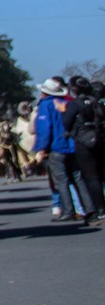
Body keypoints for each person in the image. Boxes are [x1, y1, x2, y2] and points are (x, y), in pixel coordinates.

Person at [33, 76, 87, 222]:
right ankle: (89, 208)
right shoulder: (68, 102)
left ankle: (68, 211)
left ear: (44, 92)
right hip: (73, 146)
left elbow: (45, 129)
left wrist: (41, 148)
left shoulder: (46, 105)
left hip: (57, 147)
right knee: (78, 178)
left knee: (61, 180)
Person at [62, 76, 103, 223]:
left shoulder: (75, 104)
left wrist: (63, 112)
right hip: (99, 139)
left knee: (91, 177)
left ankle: (100, 210)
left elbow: (66, 123)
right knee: (100, 175)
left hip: (84, 142)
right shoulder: (95, 102)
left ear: (74, 89)